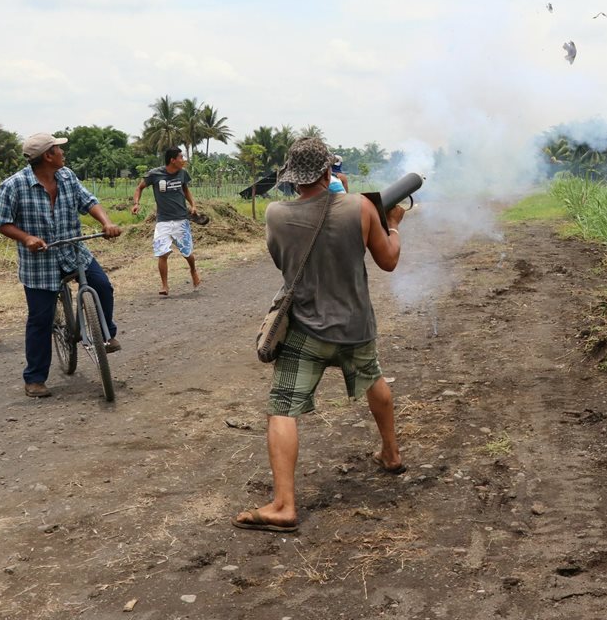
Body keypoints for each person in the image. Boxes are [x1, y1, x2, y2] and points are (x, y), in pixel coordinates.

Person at [233, 137, 405, 533]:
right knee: (373, 379)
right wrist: (392, 225)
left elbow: (284, 263)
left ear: (292, 180)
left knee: (282, 407)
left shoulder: (276, 214)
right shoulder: (361, 207)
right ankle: (391, 454)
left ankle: (283, 504)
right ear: (329, 172)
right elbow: (389, 260)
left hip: (307, 329)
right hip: (355, 327)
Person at [0, 133, 122, 397]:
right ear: (48, 156)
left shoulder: (67, 176)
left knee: (103, 286)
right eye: (59, 149)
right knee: (41, 318)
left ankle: (105, 335)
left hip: (74, 251)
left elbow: (89, 202)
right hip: (40, 261)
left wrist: (106, 223)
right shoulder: (14, 185)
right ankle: (35, 379)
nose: (63, 153)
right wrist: (26, 238)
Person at [132, 147, 201, 296]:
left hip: (181, 220)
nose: (183, 160)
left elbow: (186, 189)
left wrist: (193, 205)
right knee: (162, 253)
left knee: (187, 252)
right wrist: (136, 203)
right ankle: (165, 286)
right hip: (163, 220)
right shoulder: (155, 174)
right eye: (181, 157)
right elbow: (139, 188)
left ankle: (193, 270)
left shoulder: (182, 173)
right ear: (173, 160)